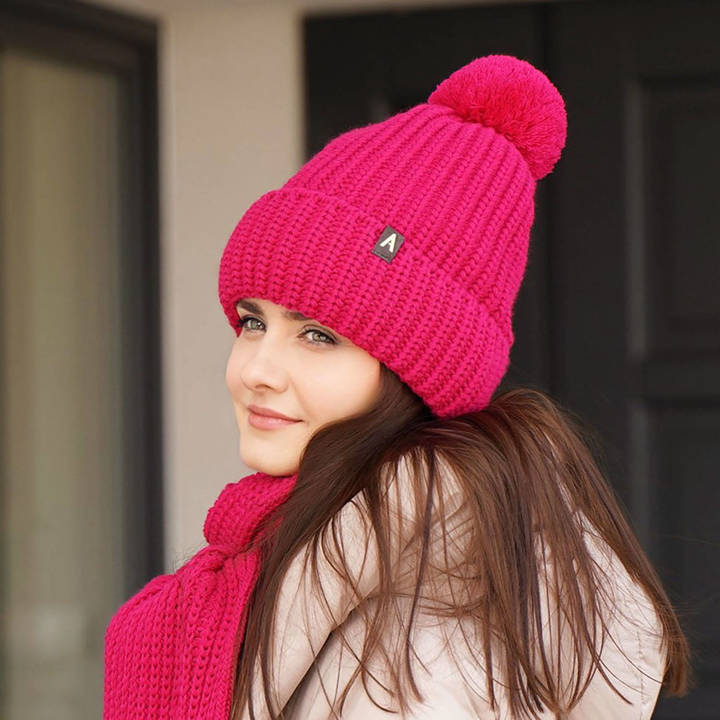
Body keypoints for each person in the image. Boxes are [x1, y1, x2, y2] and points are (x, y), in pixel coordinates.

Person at [103, 55, 692, 720]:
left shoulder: (425, 641)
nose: (255, 370)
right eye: (251, 322)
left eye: (318, 335)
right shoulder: (327, 547)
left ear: (421, 370)